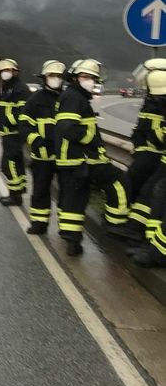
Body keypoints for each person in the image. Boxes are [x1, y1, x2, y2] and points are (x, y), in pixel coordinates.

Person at [54, 59, 131, 256]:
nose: (90, 81)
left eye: (93, 78)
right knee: (119, 182)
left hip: (70, 160)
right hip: (83, 159)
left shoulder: (73, 95)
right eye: (86, 77)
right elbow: (67, 128)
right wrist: (93, 140)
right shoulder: (74, 98)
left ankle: (72, 240)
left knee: (73, 199)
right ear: (75, 78)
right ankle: (116, 225)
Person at [109, 60, 166, 242]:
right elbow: (143, 128)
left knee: (149, 192)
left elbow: (158, 133)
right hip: (147, 152)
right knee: (144, 190)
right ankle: (135, 230)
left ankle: (138, 231)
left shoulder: (160, 100)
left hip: (155, 154)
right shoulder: (153, 99)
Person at [18, 60, 65, 233]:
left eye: (58, 76)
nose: (55, 79)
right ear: (44, 78)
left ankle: (67, 230)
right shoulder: (35, 100)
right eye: (51, 76)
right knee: (40, 191)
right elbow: (23, 124)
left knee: (67, 193)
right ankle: (39, 222)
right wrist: (36, 140)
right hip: (43, 155)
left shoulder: (68, 98)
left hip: (65, 156)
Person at [0, 59, 31, 206]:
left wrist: (5, 120)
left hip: (14, 133)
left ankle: (15, 196)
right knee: (16, 164)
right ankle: (18, 192)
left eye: (8, 71)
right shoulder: (8, 87)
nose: (5, 73)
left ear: (15, 72)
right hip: (8, 133)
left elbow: (23, 113)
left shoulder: (20, 89)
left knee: (8, 164)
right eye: (3, 71)